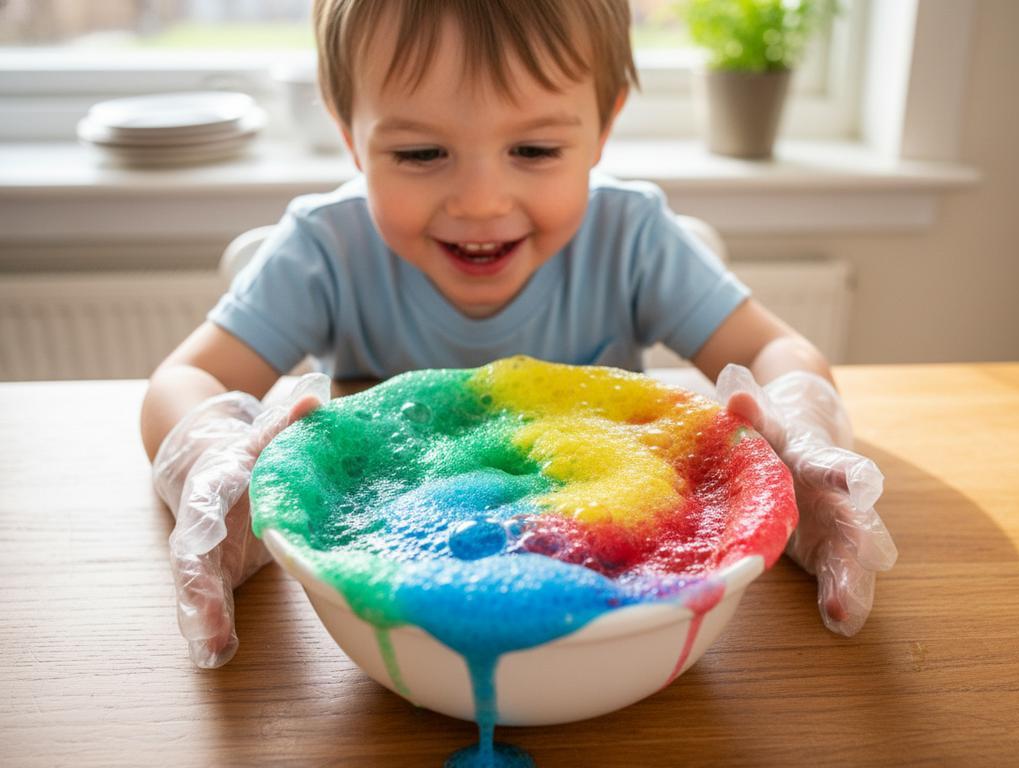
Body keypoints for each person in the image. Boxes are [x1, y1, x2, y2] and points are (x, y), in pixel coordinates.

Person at [141, 0, 897, 669]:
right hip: (390, 599)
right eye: (418, 153)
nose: (478, 200)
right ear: (349, 137)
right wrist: (215, 462)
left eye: (533, 150)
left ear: (604, 128)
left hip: (614, 594)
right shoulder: (325, 250)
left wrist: (798, 439)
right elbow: (183, 383)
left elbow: (782, 353)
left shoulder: (631, 240)